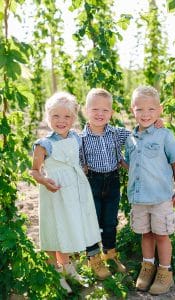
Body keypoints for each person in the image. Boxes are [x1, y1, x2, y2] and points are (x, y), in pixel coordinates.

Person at [80, 88, 163, 280]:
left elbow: (140, 136)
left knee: (110, 221)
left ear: (112, 113)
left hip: (113, 181)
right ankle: (93, 257)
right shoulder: (80, 138)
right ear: (86, 111)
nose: (100, 114)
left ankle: (110, 253)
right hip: (91, 181)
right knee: (91, 221)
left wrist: (157, 123)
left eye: (105, 110)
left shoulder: (117, 133)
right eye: (95, 109)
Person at [30, 91, 101, 293]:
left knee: (68, 226)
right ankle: (54, 270)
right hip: (54, 191)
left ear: (74, 118)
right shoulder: (43, 145)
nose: (61, 121)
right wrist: (44, 180)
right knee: (54, 228)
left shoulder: (76, 138)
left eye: (67, 116)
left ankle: (68, 267)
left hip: (74, 191)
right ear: (48, 117)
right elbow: (34, 171)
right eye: (56, 116)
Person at [125, 85, 175, 295]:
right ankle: (147, 266)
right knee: (146, 234)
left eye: (151, 109)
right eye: (139, 109)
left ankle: (165, 271)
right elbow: (131, 164)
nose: (145, 114)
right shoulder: (130, 139)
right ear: (133, 110)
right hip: (139, 198)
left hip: (160, 197)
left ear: (159, 111)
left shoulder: (164, 135)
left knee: (161, 235)